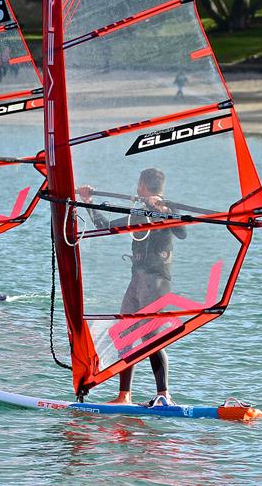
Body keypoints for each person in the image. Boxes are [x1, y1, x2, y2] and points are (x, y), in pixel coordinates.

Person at [77, 168, 187, 406]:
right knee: (124, 333)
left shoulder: (167, 209)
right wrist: (89, 201)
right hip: (136, 279)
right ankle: (124, 395)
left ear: (142, 185)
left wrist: (165, 210)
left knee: (149, 335)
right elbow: (103, 226)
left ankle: (164, 394)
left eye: (138, 184)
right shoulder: (138, 211)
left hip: (156, 281)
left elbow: (182, 232)